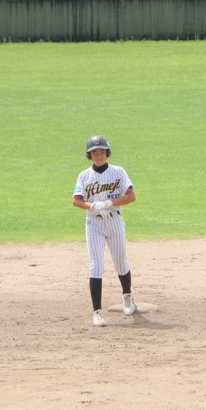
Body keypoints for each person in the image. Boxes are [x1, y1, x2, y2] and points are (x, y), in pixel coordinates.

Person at [72, 135, 137, 327]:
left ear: (107, 153)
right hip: (94, 224)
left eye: (101, 152)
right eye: (94, 153)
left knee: (120, 262)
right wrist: (92, 206)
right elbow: (76, 200)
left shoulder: (118, 172)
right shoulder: (84, 176)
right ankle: (97, 312)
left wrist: (109, 203)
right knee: (96, 265)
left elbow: (131, 196)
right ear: (89, 155)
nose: (98, 156)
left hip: (115, 220)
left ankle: (127, 296)